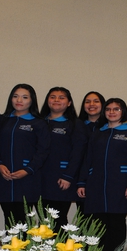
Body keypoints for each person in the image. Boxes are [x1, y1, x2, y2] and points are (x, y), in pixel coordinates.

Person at [77, 98, 127, 251]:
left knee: (116, 224)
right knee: (97, 224)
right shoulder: (97, 134)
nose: (112, 112)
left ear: (123, 112)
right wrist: (82, 182)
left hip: (120, 186)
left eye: (116, 109)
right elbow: (88, 160)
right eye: (108, 109)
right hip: (96, 186)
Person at [0, 84, 50, 226]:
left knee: (24, 221)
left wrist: (28, 169)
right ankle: (11, 248)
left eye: (24, 97)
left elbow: (43, 150)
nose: (19, 100)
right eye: (15, 96)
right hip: (4, 178)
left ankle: (23, 248)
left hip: (28, 179)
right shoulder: (1, 120)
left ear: (32, 101)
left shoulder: (39, 123)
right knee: (9, 220)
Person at [40, 87, 88, 231]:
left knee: (58, 220)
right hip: (39, 178)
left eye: (61, 97)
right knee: (44, 220)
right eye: (53, 97)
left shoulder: (75, 124)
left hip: (61, 179)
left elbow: (78, 152)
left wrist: (68, 176)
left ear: (69, 103)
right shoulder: (40, 122)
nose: (56, 100)